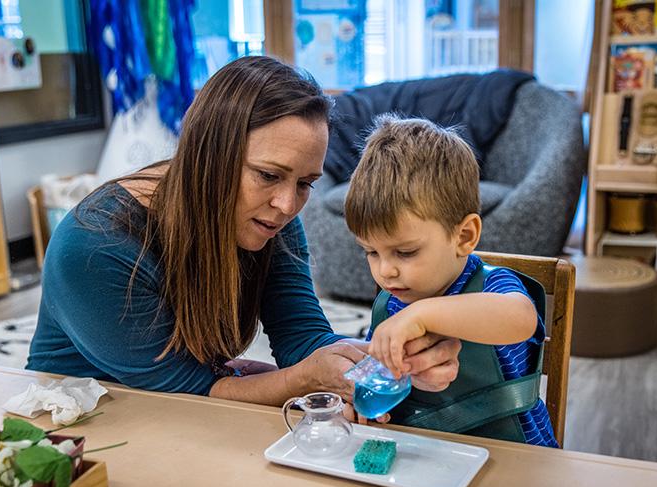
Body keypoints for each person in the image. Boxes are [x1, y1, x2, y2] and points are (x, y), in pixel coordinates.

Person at [27, 57, 459, 417]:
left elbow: (302, 337)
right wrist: (303, 380)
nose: (288, 205)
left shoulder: (273, 218)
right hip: (81, 417)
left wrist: (374, 363)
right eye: (269, 175)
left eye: (306, 183)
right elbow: (183, 389)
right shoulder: (94, 245)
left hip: (186, 410)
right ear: (208, 155)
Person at [344, 115, 558, 446]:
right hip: (426, 456)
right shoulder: (390, 303)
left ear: (464, 236)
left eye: (405, 252)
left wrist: (421, 315)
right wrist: (370, 405)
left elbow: (521, 319)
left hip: (513, 458)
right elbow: (381, 379)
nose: (385, 271)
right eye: (371, 252)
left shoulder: (492, 285)